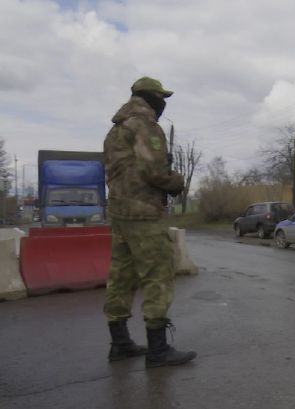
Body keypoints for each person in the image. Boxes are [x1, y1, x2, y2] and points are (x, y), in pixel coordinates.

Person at [103, 76, 196, 368]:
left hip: (120, 214)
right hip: (144, 213)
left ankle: (119, 343)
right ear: (150, 98)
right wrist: (176, 181)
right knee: (158, 275)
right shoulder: (146, 125)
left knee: (121, 276)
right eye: (161, 98)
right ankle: (158, 350)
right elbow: (153, 171)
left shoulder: (116, 129)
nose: (163, 104)